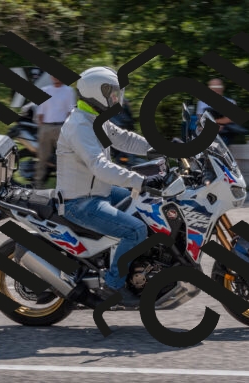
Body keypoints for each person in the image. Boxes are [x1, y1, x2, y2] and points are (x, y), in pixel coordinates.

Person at [51, 66, 164, 307]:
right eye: (112, 93)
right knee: (135, 230)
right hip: (80, 202)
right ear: (97, 93)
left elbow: (125, 139)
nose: (116, 97)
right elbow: (100, 166)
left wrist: (160, 147)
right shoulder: (80, 126)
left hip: (99, 191)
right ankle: (113, 286)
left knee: (146, 205)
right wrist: (140, 180)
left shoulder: (95, 119)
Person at [34, 74, 77, 189]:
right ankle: (38, 184)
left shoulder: (69, 91)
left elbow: (70, 112)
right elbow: (40, 112)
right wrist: (42, 128)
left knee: (64, 157)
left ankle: (64, 185)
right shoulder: (45, 90)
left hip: (61, 127)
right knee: (42, 157)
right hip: (46, 127)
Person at [196, 78, 238, 145]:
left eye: (218, 87)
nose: (216, 89)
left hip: (225, 132)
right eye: (213, 87)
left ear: (223, 88)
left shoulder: (231, 102)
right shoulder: (201, 103)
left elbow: (230, 119)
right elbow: (200, 119)